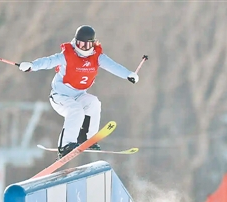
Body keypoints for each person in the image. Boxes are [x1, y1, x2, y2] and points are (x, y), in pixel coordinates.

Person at [18, 25, 139, 159]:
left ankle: (88, 140)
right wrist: (31, 66)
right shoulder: (67, 55)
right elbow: (48, 61)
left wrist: (128, 74)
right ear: (75, 42)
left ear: (93, 44)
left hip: (79, 95)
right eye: (80, 44)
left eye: (87, 45)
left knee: (93, 103)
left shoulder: (97, 56)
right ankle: (65, 145)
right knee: (76, 110)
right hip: (60, 97)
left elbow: (113, 66)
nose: (83, 48)